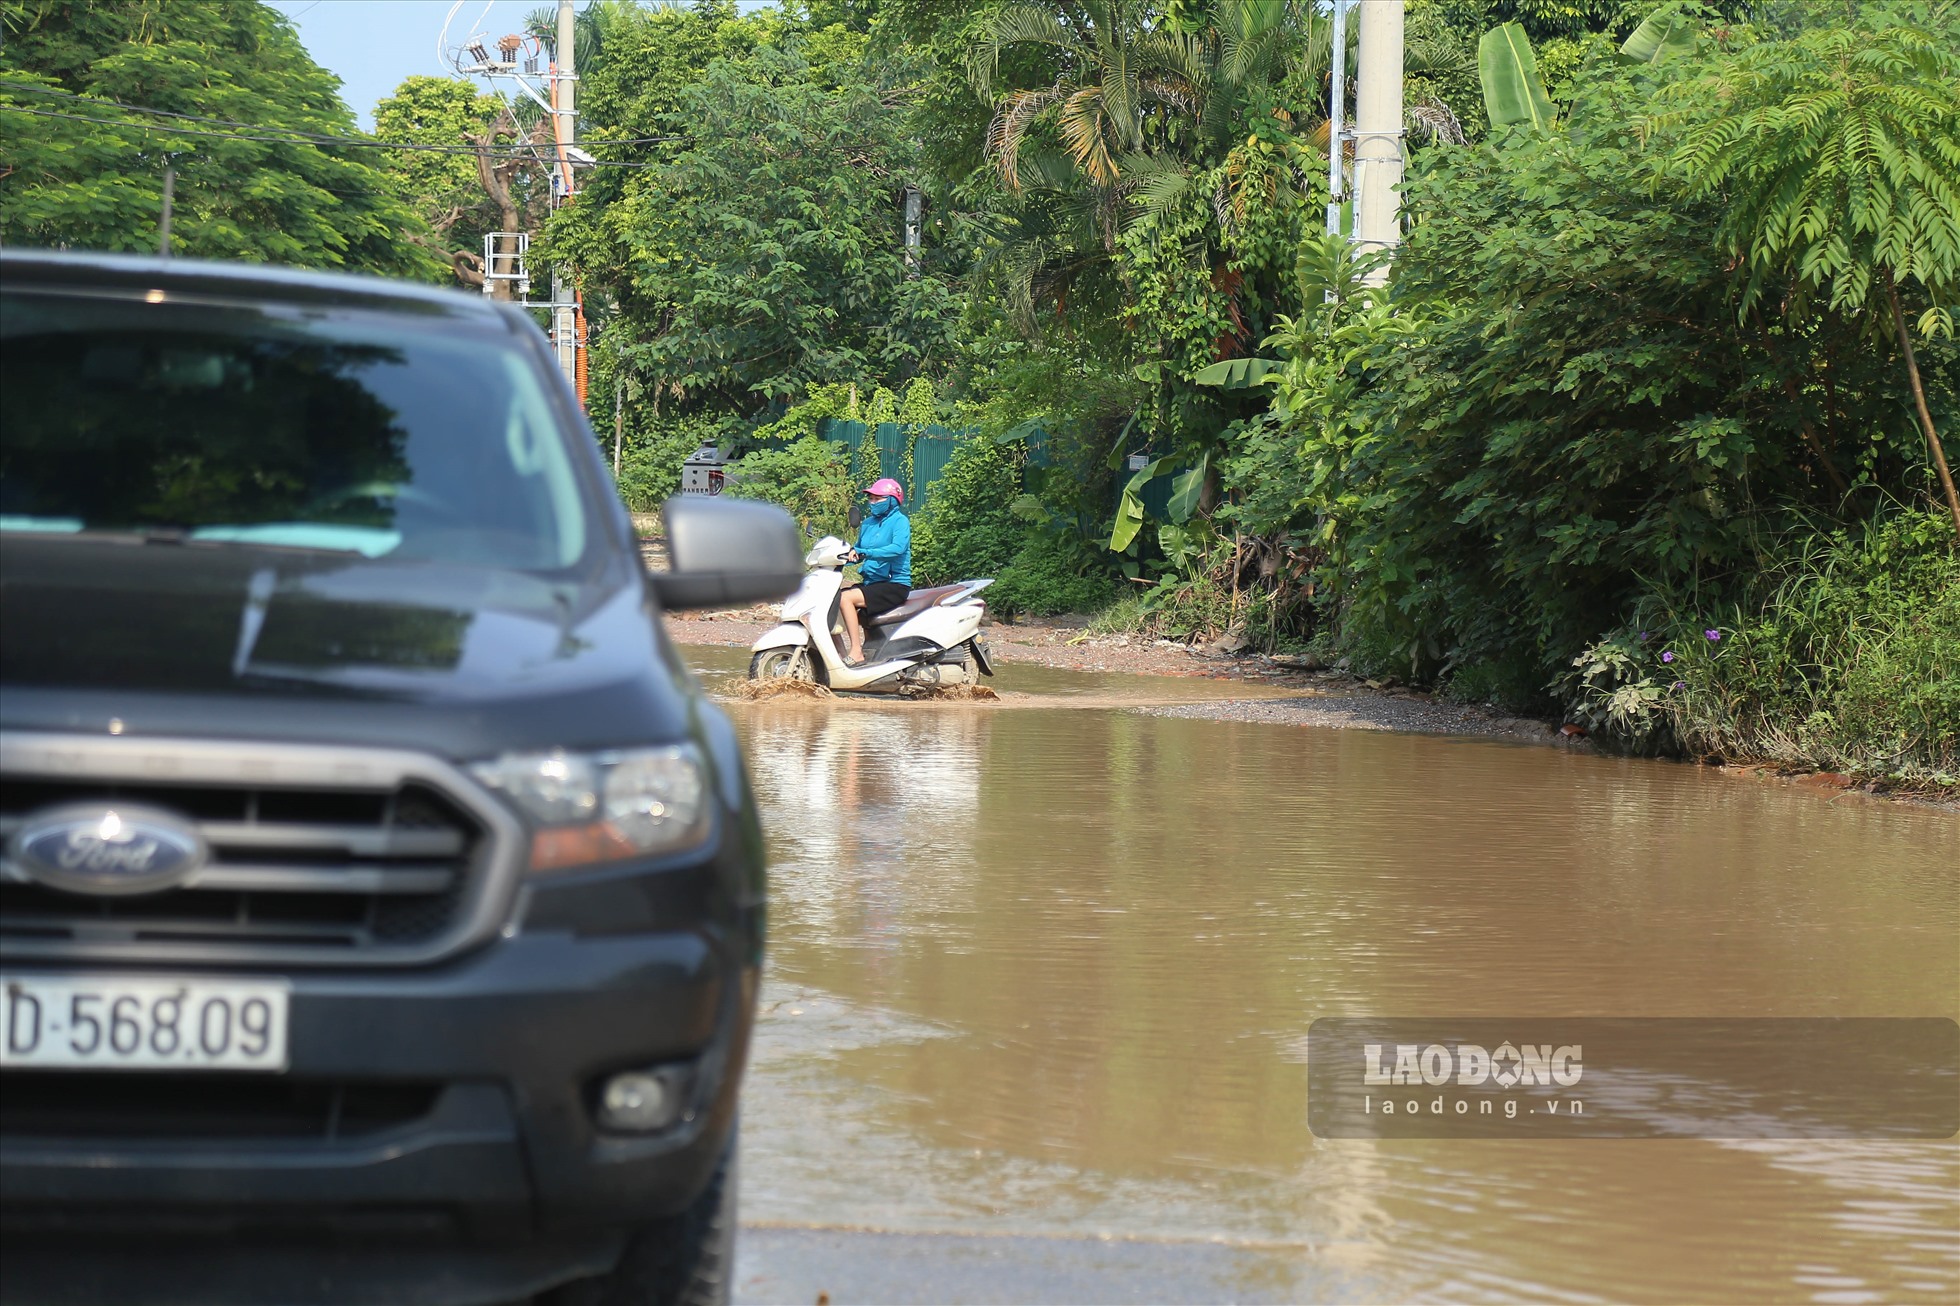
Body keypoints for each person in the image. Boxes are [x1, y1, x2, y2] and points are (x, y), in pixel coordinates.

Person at [841, 477, 911, 664]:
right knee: (833, 599)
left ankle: (856, 652)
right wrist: (841, 558)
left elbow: (897, 548)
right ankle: (842, 654)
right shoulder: (868, 524)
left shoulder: (900, 521)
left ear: (892, 500)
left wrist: (865, 552)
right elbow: (858, 550)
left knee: (846, 598)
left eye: (877, 499)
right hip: (872, 582)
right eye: (870, 498)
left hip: (893, 584)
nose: (872, 502)